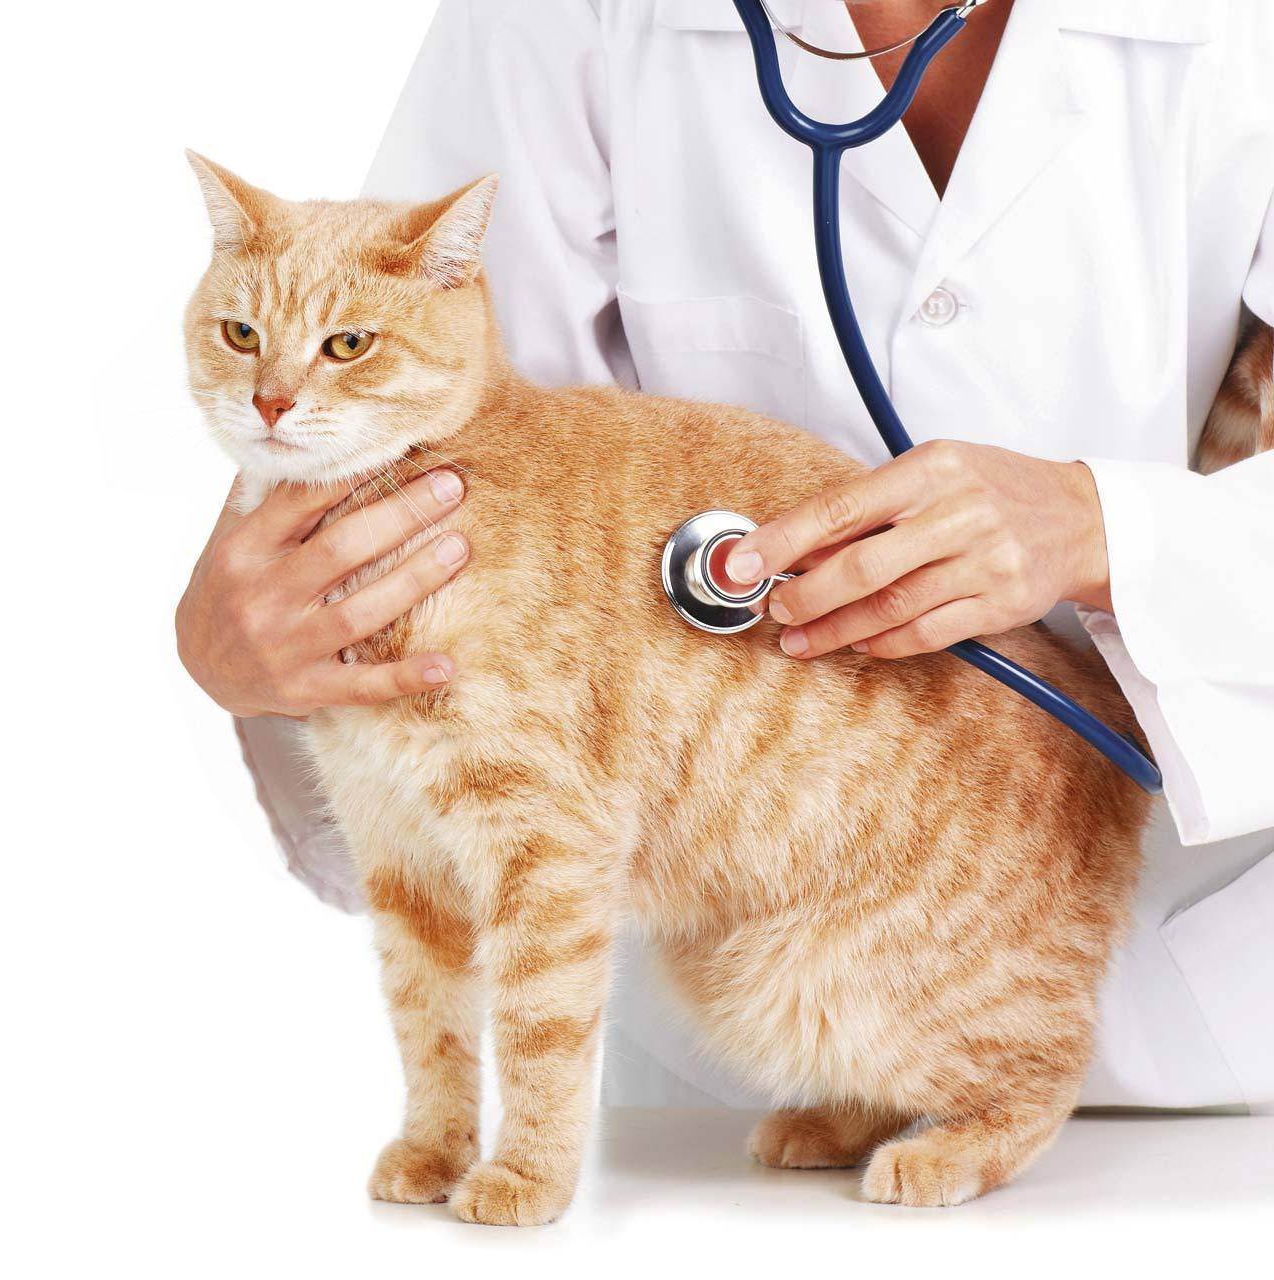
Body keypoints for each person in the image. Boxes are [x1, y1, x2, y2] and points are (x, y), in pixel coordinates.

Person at [177, 0, 1274, 1111]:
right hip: (747, 1013)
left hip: (1213, 975)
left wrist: (1106, 529)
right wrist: (250, 648)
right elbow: (418, 417)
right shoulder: (551, 22)